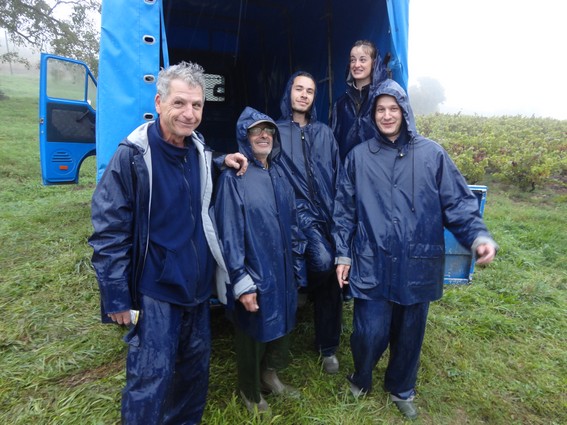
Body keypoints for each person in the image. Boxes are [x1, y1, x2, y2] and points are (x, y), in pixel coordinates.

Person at [88, 61, 248, 425]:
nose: (189, 114)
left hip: (196, 286)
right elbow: (108, 231)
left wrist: (223, 160)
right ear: (159, 103)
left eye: (196, 105)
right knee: (151, 379)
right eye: (179, 103)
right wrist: (115, 295)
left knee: (194, 375)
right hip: (155, 289)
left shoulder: (198, 150)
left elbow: (201, 172)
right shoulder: (132, 156)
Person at [333, 79, 498, 420]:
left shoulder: (432, 155)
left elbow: (458, 204)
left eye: (394, 108)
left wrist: (478, 237)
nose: (387, 115)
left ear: (405, 111)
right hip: (372, 258)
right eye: (381, 109)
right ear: (373, 114)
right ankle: (361, 377)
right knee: (368, 331)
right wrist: (343, 254)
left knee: (410, 333)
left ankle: (401, 387)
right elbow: (344, 210)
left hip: (417, 261)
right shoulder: (359, 157)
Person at [212, 107, 306, 413]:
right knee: (252, 334)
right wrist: (241, 280)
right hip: (254, 271)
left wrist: (296, 264)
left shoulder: (279, 172)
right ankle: (250, 391)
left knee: (283, 326)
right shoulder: (233, 176)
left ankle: (270, 376)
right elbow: (229, 232)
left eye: (268, 130)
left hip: (282, 269)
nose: (263, 135)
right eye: (255, 131)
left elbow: (292, 222)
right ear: (244, 136)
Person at [276, 71, 344, 374]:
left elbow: (338, 173)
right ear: (289, 93)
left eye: (310, 91)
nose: (303, 95)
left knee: (331, 276)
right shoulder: (275, 131)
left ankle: (327, 346)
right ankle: (299, 299)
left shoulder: (325, 133)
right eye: (299, 89)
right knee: (321, 262)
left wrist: (339, 212)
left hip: (325, 213)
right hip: (293, 214)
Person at [331, 40, 388, 162]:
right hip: (347, 175)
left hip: (378, 172)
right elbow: (333, 145)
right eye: (353, 60)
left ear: (374, 63)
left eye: (362, 60)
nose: (356, 65)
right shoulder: (340, 104)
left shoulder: (383, 99)